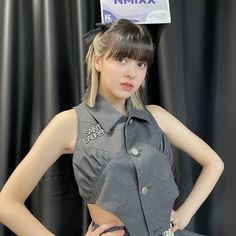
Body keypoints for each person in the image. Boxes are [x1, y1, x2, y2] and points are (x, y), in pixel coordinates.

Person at [0, 18, 224, 236]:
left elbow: (214, 162)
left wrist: (184, 214)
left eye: (140, 63)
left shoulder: (157, 117)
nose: (132, 73)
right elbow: (6, 204)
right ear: (98, 61)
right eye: (121, 59)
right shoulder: (69, 124)